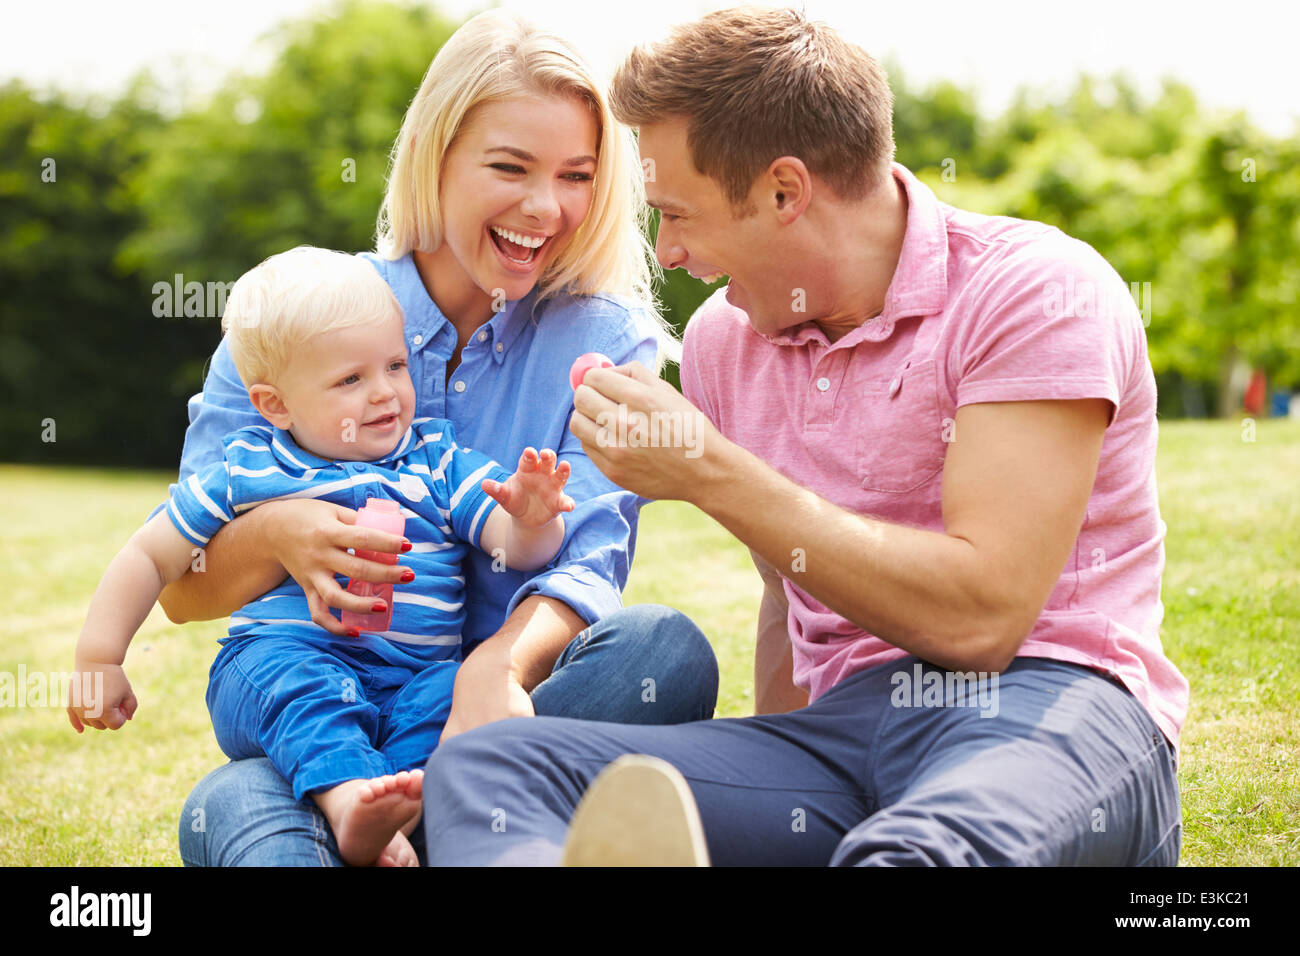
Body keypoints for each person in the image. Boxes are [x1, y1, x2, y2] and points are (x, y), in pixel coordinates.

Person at [421, 7, 1188, 866]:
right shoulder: (724, 341)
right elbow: (791, 596)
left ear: (785, 192)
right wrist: (769, 774)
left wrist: (710, 471)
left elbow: (982, 618)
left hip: (1045, 708)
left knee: (923, 852)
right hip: (839, 739)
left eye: (677, 213)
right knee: (493, 769)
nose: (666, 252)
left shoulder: (1038, 292)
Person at [165, 11, 719, 867]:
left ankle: (417, 823)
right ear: (435, 154)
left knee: (662, 651)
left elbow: (588, 560)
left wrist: (492, 670)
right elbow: (183, 589)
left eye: (576, 174)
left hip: (519, 703)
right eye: (509, 167)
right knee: (228, 802)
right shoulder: (296, 319)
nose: (546, 208)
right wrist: (278, 532)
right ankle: (440, 828)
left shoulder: (605, 341)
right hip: (335, 717)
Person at [70, 246, 579, 867]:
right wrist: (99, 656)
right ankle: (347, 800)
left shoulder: (434, 460)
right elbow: (150, 556)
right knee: (303, 687)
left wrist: (531, 516)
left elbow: (516, 547)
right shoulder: (252, 468)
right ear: (275, 405)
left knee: (455, 692)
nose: (385, 393)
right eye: (350, 380)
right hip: (282, 661)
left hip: (411, 680)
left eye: (395, 364)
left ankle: (396, 811)